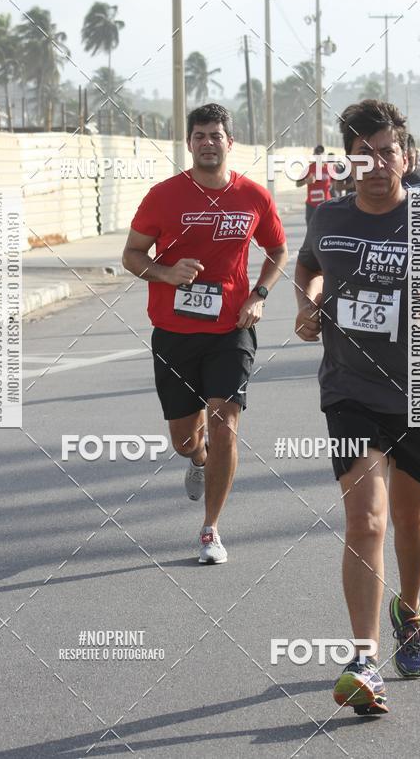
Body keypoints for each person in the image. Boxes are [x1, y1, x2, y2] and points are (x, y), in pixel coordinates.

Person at [294, 99, 420, 715]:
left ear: (406, 158)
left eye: (388, 152)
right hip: (349, 391)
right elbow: (308, 269)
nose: (378, 164)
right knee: (366, 520)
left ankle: (409, 608)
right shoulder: (328, 218)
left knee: (410, 522)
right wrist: (306, 307)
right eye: (364, 154)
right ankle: (364, 658)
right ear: (349, 161)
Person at [122, 103, 288, 564]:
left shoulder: (253, 196)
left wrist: (259, 295)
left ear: (230, 143)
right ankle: (198, 460)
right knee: (185, 438)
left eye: (216, 135)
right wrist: (165, 271)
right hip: (174, 331)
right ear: (189, 144)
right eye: (199, 135)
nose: (208, 142)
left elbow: (277, 250)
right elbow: (132, 254)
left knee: (225, 424)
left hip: (231, 329)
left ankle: (210, 529)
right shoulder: (164, 196)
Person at [296, 145, 332, 226]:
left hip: (326, 205)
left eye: (321, 154)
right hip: (312, 206)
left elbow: (335, 184)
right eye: (317, 154)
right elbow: (297, 184)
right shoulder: (309, 168)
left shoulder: (329, 169)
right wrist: (306, 181)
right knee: (311, 233)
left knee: (326, 231)